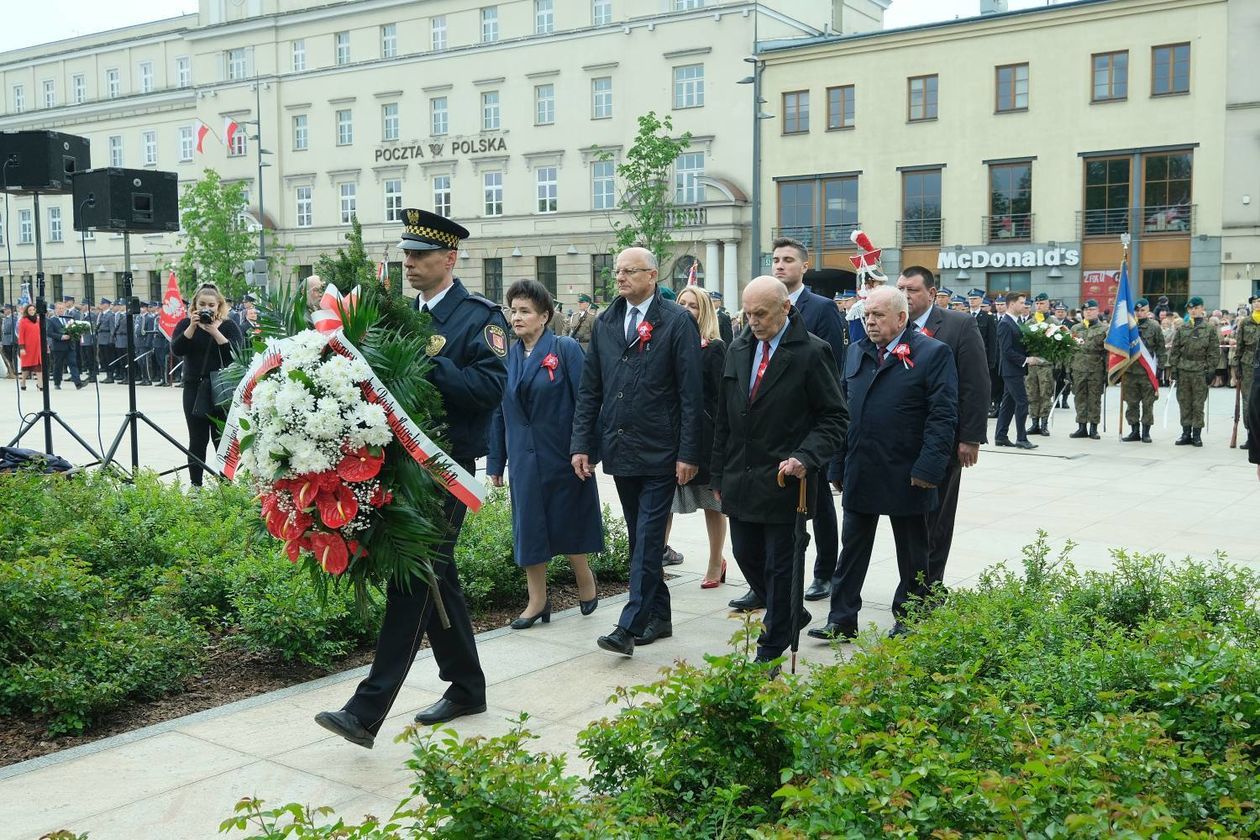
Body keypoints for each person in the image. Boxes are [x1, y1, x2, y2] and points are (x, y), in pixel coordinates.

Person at [314, 209, 508, 749]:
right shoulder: (399, 314)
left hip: (445, 471)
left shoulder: (478, 318)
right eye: (406, 255)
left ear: (450, 258)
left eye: (420, 255)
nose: (410, 264)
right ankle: (467, 686)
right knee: (436, 577)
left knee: (412, 580)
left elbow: (488, 389)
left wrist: (420, 359)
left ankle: (366, 710)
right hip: (398, 466)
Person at [571, 246, 702, 657]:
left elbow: (690, 394)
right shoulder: (608, 321)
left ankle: (629, 625)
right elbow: (591, 389)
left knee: (647, 538)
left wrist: (688, 452)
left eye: (630, 271)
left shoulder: (677, 321)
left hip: (663, 448)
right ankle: (659, 616)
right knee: (638, 537)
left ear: (652, 275)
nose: (621, 278)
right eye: (617, 272)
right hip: (621, 444)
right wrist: (583, 445)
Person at [711, 276, 847, 667]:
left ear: (786, 308)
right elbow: (724, 418)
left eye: (762, 314)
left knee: (781, 564)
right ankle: (790, 612)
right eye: (747, 313)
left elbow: (835, 417)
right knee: (745, 555)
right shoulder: (737, 349)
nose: (753, 321)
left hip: (786, 481)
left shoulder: (811, 352)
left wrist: (806, 456)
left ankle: (769, 652)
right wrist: (718, 474)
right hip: (741, 478)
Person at [810, 286, 957, 641]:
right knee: (852, 550)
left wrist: (928, 469)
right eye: (867, 315)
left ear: (902, 318)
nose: (870, 322)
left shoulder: (932, 353)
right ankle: (841, 620)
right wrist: (838, 465)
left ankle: (909, 617)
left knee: (912, 553)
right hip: (863, 467)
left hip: (908, 472)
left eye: (878, 315)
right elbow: (843, 413)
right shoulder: (856, 352)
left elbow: (943, 416)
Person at [487, 279, 601, 629]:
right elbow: (497, 412)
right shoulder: (504, 357)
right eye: (512, 310)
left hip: (563, 453)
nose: (516, 317)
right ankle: (537, 601)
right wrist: (496, 462)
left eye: (524, 311)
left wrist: (585, 448)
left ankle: (585, 580)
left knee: (569, 518)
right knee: (529, 527)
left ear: (544, 317)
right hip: (524, 457)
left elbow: (586, 401)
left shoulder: (564, 349)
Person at [897, 268, 990, 588]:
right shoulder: (894, 325)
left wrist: (970, 438)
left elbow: (976, 384)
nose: (904, 296)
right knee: (907, 519)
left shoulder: (958, 325)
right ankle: (911, 581)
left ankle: (930, 585)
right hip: (900, 441)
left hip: (943, 440)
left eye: (911, 290)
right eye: (900, 289)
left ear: (932, 294)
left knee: (936, 519)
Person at [768, 237, 847, 606]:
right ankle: (766, 579)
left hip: (811, 425)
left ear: (804, 266)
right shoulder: (763, 304)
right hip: (772, 425)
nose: (780, 265)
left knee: (820, 502)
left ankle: (825, 571)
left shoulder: (822, 308)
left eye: (787, 260)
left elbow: (833, 367)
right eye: (776, 260)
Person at [666, 285, 730, 589]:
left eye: (693, 305)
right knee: (663, 502)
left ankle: (716, 561)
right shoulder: (669, 343)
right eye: (682, 304)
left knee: (711, 503)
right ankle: (655, 559)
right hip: (670, 436)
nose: (687, 310)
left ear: (704, 311)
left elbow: (722, 400)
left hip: (705, 439)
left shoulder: (715, 348)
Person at [170, 284, 243, 487]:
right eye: (202, 304)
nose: (207, 308)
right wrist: (192, 327)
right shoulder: (186, 324)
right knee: (197, 440)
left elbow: (238, 354)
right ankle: (196, 486)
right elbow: (177, 349)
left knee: (221, 440)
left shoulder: (229, 326)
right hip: (194, 388)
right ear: (195, 305)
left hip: (222, 390)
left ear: (219, 305)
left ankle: (225, 486)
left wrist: (215, 331)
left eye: (211, 305)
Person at [1170, 296, 1220, 447]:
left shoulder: (1209, 329)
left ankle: (1197, 434)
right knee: (1184, 402)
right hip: (1184, 369)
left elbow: (1213, 351)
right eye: (1191, 308)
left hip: (1200, 370)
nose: (1193, 310)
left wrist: (1211, 370)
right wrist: (1174, 369)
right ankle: (1186, 433)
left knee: (1198, 404)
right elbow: (1175, 350)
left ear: (1202, 308)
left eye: (1196, 307)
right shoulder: (1182, 329)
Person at [994, 292, 1039, 449]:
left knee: (1008, 403)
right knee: (1022, 402)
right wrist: (1026, 360)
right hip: (1011, 370)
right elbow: (1006, 351)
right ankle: (1021, 438)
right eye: (1021, 303)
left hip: (1015, 370)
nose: (1024, 306)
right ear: (1012, 304)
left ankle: (1000, 436)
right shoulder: (1005, 323)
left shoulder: (1017, 321)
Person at [1121, 298, 1168, 443]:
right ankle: (1134, 431)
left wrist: (1160, 368)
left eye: (1142, 310)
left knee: (1148, 404)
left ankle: (1146, 432)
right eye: (1137, 311)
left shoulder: (1154, 326)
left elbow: (1161, 348)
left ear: (1148, 311)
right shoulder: (1128, 326)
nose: (1139, 313)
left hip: (1147, 372)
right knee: (1131, 403)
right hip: (1130, 372)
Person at [1067, 299, 1108, 440]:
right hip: (1078, 368)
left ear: (1097, 311)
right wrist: (1068, 369)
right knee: (1079, 397)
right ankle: (1081, 427)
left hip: (1095, 368)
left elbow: (1108, 352)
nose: (1088, 312)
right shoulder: (1076, 329)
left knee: (1094, 398)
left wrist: (1108, 371)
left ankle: (1093, 428)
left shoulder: (1104, 329)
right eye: (1086, 310)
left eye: (1091, 310)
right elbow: (1070, 350)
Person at [1230, 296, 1260, 448]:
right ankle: (1251, 436)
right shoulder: (1245, 322)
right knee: (1248, 401)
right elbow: (1239, 345)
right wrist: (1236, 365)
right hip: (1248, 364)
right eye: (1255, 301)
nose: (1257, 304)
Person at [1025, 293, 1057, 436]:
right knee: (1032, 394)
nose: (1039, 306)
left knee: (1045, 394)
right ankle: (1034, 423)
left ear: (1048, 304)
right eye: (1037, 304)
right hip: (1032, 366)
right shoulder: (1029, 323)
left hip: (1046, 365)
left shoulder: (1054, 323)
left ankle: (1044, 424)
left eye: (1042, 303)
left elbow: (1060, 346)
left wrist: (1059, 367)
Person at [47, 301, 84, 390]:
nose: (61, 310)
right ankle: (57, 382)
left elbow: (74, 329)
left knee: (73, 364)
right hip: (58, 346)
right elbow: (49, 333)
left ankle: (78, 383)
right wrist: (61, 337)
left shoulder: (69, 319)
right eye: (59, 308)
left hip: (70, 345)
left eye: (62, 308)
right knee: (58, 365)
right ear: (55, 310)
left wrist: (75, 333)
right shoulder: (52, 320)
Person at [16, 304, 42, 390]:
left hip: (37, 347)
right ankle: (23, 381)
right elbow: (21, 335)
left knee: (39, 366)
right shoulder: (23, 321)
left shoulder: (38, 320)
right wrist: (22, 348)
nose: (32, 311)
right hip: (28, 347)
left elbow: (41, 334)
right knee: (26, 367)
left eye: (33, 310)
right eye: (30, 310)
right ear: (27, 311)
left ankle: (40, 384)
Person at [1, 304, 17, 379]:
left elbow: (13, 330)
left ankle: (14, 372)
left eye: (5, 309)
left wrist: (12, 340)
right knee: (6, 357)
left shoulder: (13, 319)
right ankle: (9, 371)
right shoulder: (5, 319)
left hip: (10, 340)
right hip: (4, 340)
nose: (4, 311)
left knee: (12, 357)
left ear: (9, 310)